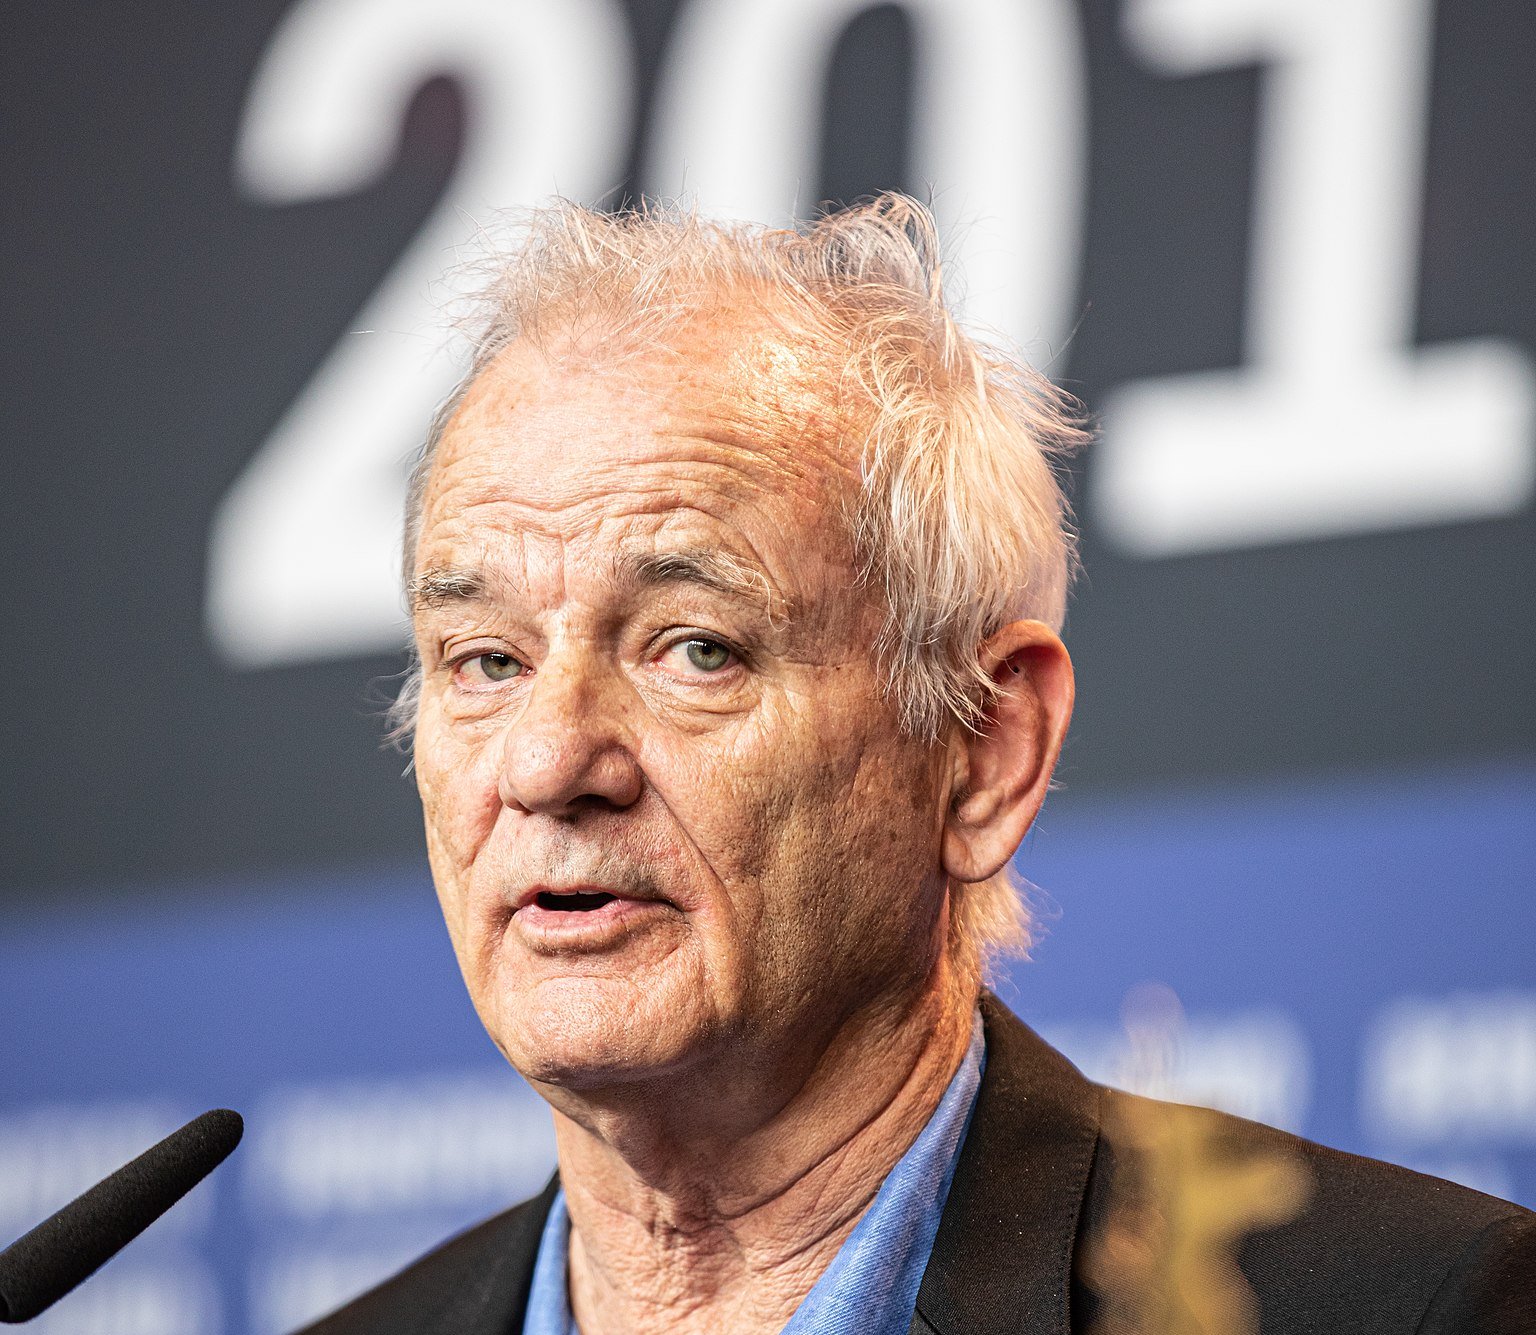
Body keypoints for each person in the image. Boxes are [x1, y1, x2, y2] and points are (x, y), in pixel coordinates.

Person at [301, 196, 1535, 1335]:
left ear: (985, 754)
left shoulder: (1412, 1308)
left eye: (697, 649)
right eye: (484, 661)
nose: (548, 758)